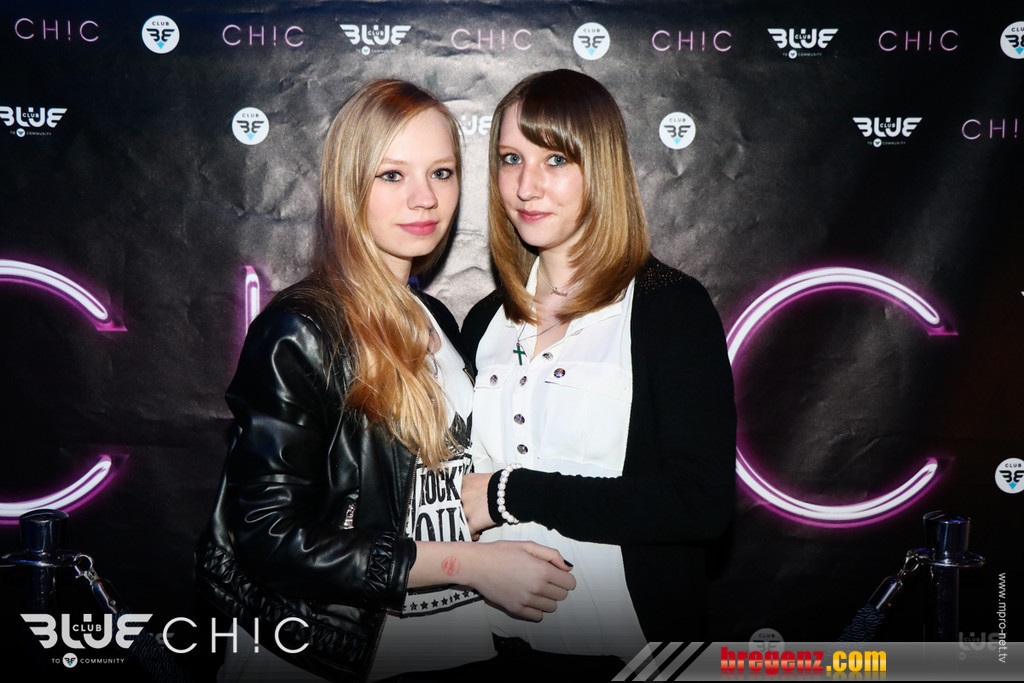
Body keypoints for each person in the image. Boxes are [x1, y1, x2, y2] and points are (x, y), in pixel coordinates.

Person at [195, 79, 575, 682]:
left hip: (448, 649)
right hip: (324, 660)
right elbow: (269, 539)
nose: (424, 198)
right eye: (392, 175)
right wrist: (472, 566)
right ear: (350, 185)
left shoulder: (440, 320)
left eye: (441, 173)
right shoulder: (304, 330)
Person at [461, 69, 736, 668]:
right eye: (511, 159)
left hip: (629, 657)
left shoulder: (668, 307)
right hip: (490, 655)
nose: (526, 186)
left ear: (601, 167)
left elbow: (700, 503)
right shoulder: (484, 321)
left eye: (556, 160)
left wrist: (512, 493)